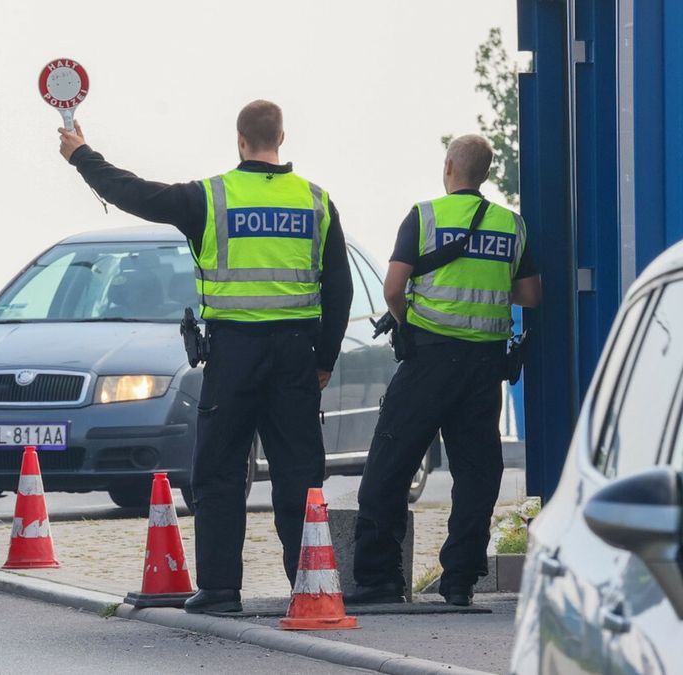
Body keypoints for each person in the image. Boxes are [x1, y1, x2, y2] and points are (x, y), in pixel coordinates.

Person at [58, 100, 353, 614]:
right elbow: (340, 289)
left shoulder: (211, 198)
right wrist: (323, 358)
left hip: (234, 355)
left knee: (218, 472)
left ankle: (219, 590)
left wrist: (82, 154)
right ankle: (310, 586)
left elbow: (132, 192)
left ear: (240, 141)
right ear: (281, 138)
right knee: (299, 475)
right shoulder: (316, 202)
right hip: (294, 355)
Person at [347, 135, 543, 607]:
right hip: (483, 369)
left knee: (390, 465)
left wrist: (407, 323)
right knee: (477, 474)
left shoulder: (424, 217)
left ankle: (379, 579)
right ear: (487, 173)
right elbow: (531, 295)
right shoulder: (510, 225)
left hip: (429, 361)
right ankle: (459, 581)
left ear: (450, 166)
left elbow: (394, 288)